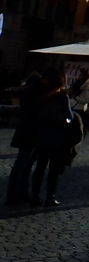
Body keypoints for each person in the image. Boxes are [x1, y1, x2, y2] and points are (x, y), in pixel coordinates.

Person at [28, 69, 78, 207]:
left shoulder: (42, 97)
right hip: (57, 137)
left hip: (42, 136)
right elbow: (70, 116)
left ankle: (35, 196)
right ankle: (50, 197)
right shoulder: (62, 97)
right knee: (53, 170)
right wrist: (65, 122)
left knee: (40, 168)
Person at [5, 71, 43, 206]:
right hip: (30, 133)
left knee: (25, 164)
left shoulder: (27, 92)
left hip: (26, 132)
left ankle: (19, 193)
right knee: (23, 164)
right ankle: (15, 194)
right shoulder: (35, 94)